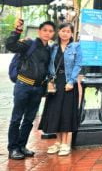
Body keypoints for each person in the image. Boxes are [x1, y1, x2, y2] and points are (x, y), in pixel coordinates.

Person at [6, 19, 55, 160]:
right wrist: (17, 31)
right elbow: (11, 46)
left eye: (50, 31)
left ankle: (22, 145)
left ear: (53, 34)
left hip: (38, 88)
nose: (47, 33)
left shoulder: (49, 49)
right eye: (44, 30)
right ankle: (13, 148)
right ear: (39, 31)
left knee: (29, 119)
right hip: (23, 86)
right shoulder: (29, 43)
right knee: (16, 118)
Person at [39, 23, 82, 156]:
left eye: (68, 31)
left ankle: (65, 143)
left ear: (72, 34)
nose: (65, 33)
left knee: (67, 112)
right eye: (63, 31)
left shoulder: (76, 46)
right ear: (59, 32)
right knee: (55, 112)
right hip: (55, 83)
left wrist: (71, 81)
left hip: (68, 82)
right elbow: (47, 64)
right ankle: (58, 142)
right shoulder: (53, 47)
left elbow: (78, 64)